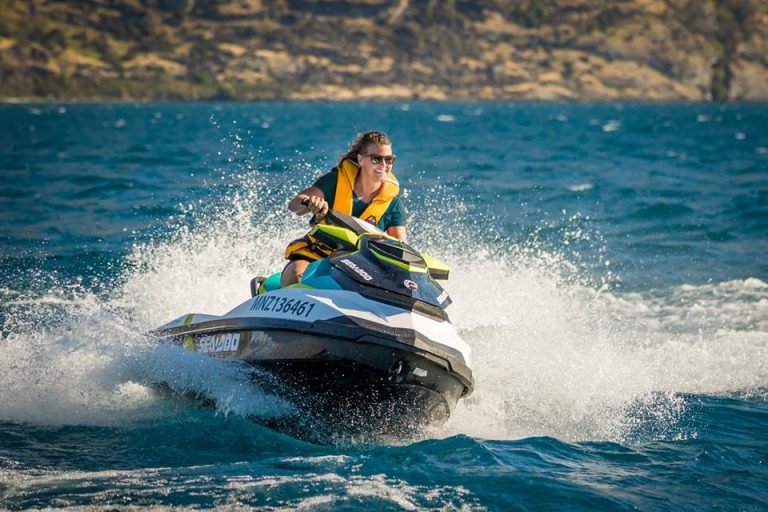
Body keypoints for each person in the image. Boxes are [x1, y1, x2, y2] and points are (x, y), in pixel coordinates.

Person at [281, 131, 407, 286]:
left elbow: (401, 251)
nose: (383, 165)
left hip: (361, 269)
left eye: (389, 159)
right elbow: (294, 204)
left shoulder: (393, 205)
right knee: (296, 274)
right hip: (317, 255)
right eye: (376, 159)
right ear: (361, 159)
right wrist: (310, 202)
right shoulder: (335, 182)